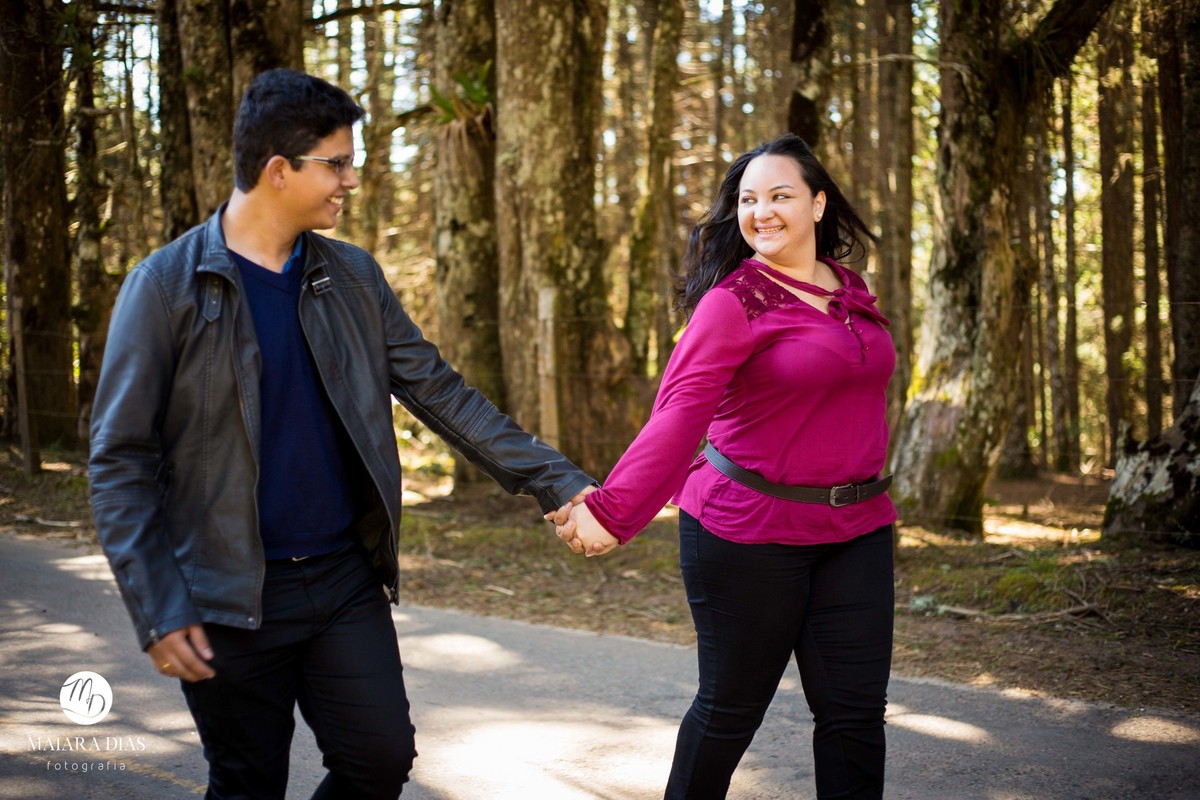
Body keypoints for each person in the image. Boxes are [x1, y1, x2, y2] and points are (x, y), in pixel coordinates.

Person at [88, 68, 596, 800]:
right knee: (248, 783)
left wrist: (556, 479)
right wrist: (158, 605)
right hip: (227, 595)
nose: (351, 181)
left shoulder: (353, 276)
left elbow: (439, 392)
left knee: (379, 760)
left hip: (342, 578)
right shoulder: (166, 287)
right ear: (278, 170)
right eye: (336, 163)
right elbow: (119, 461)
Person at [552, 133, 896, 799]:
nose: (761, 212)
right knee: (730, 711)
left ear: (818, 204)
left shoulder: (849, 289)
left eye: (780, 195)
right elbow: (680, 414)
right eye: (748, 199)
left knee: (855, 717)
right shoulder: (734, 302)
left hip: (856, 530)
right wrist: (614, 512)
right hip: (747, 532)